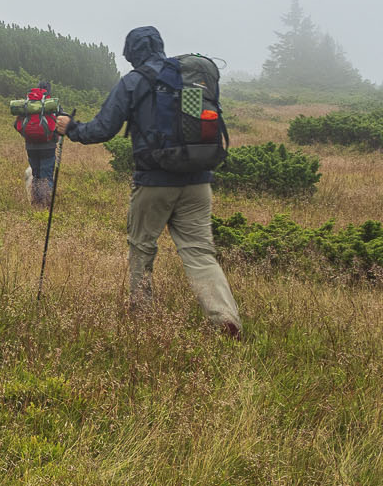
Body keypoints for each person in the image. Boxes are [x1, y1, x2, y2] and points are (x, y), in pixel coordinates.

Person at [55, 26, 243, 337]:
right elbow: (188, 128)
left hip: (154, 181)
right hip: (197, 180)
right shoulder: (188, 81)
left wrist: (70, 128)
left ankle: (142, 317)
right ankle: (224, 317)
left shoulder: (134, 81)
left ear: (131, 53)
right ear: (160, 46)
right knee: (199, 251)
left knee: (142, 247)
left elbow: (102, 129)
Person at [14, 84, 61, 206]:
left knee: (36, 174)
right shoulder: (51, 105)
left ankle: (35, 202)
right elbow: (61, 123)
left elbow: (16, 125)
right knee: (46, 176)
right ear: (48, 91)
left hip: (31, 147)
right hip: (48, 147)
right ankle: (44, 204)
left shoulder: (27, 105)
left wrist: (29, 135)